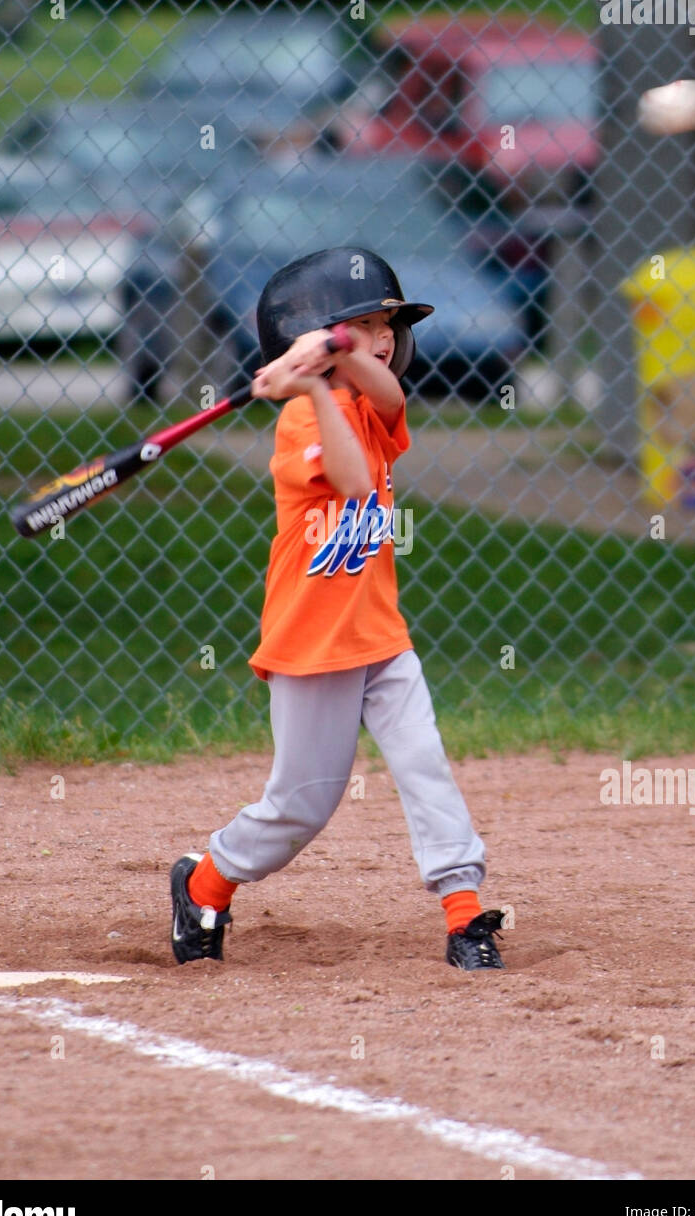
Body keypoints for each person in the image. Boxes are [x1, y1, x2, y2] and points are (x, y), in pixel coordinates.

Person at [169, 246, 504, 971]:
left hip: (379, 635)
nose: (384, 335)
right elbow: (352, 482)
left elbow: (382, 394)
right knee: (300, 807)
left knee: (423, 762)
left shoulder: (375, 402)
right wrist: (314, 387)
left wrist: (337, 351)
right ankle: (206, 880)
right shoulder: (299, 423)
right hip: (310, 643)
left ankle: (465, 915)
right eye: (366, 322)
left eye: (387, 325)